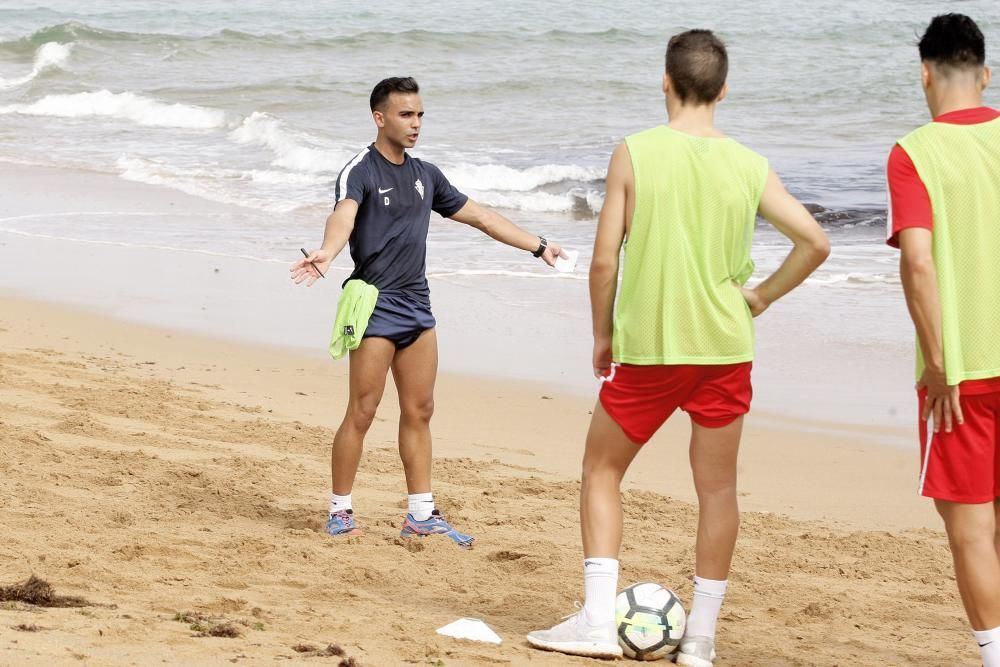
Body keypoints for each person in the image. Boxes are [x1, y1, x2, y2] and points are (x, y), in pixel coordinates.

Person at [526, 29, 829, 664]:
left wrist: (603, 334)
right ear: (723, 90)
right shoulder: (750, 163)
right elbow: (815, 243)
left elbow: (604, 261)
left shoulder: (634, 153)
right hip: (725, 344)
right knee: (717, 491)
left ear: (665, 81)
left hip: (654, 346)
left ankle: (597, 623)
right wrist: (763, 296)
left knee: (602, 470)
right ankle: (700, 639)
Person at [290, 76, 565, 548]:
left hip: (417, 306)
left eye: (419, 115)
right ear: (380, 117)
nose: (415, 124)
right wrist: (328, 251)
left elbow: (481, 216)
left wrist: (537, 245)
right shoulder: (360, 169)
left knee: (420, 410)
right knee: (363, 409)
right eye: (405, 115)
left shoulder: (426, 175)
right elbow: (344, 214)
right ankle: (340, 510)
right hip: (375, 303)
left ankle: (420, 514)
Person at [887, 14, 1000, 667]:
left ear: (926, 74)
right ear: (985, 75)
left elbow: (919, 261)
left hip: (962, 372)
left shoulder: (914, 152)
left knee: (970, 531)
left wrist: (937, 363)